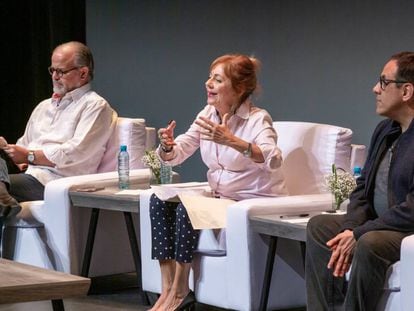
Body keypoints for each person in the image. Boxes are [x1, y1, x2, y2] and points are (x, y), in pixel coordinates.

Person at [149, 54, 288, 311]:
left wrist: (232, 140)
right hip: (219, 199)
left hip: (248, 202)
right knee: (159, 202)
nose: (208, 83)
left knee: (186, 209)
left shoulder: (258, 119)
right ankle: (167, 290)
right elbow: (181, 150)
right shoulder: (208, 114)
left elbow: (273, 157)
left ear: (240, 88)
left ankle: (181, 292)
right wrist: (168, 146)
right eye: (209, 77)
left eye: (217, 79)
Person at [305, 51, 414, 310]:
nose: (375, 89)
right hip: (377, 224)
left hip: (405, 229)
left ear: (407, 91)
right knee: (321, 227)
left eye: (384, 82)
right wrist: (349, 227)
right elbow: (362, 187)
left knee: (370, 242)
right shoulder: (384, 130)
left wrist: (359, 232)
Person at [0, 41, 117, 223]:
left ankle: (4, 200)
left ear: (83, 73)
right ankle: (3, 199)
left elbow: (75, 152)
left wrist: (30, 156)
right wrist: (9, 150)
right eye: (52, 70)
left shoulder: (95, 106)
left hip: (56, 182)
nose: (54, 76)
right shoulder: (44, 106)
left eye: (61, 71)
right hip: (31, 175)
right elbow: (25, 146)